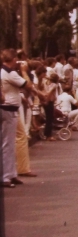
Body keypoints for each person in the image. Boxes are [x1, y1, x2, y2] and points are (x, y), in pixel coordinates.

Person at [1, 49, 37, 187]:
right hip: (8, 109)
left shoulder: (7, 72)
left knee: (9, 143)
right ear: (13, 59)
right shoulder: (10, 73)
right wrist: (23, 71)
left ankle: (11, 173)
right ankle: (5, 176)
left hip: (10, 109)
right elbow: (27, 84)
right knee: (7, 144)